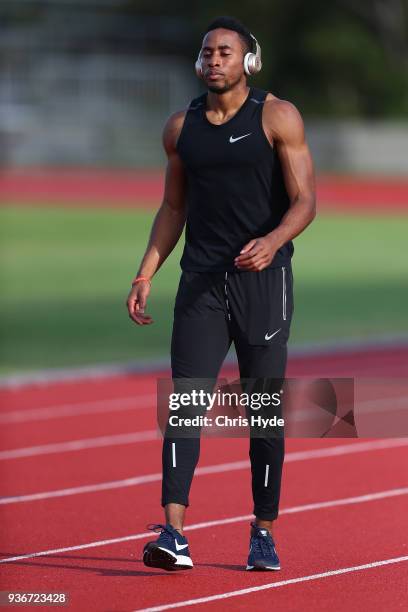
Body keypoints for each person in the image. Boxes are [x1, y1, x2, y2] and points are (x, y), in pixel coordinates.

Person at [126, 15, 316, 572]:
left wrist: (273, 239)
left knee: (263, 415)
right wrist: (145, 273)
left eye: (225, 52)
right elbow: (174, 208)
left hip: (263, 283)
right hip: (200, 285)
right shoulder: (180, 128)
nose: (213, 60)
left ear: (246, 60)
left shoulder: (277, 116)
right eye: (206, 52)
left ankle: (262, 530)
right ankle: (173, 533)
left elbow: (306, 200)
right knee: (185, 406)